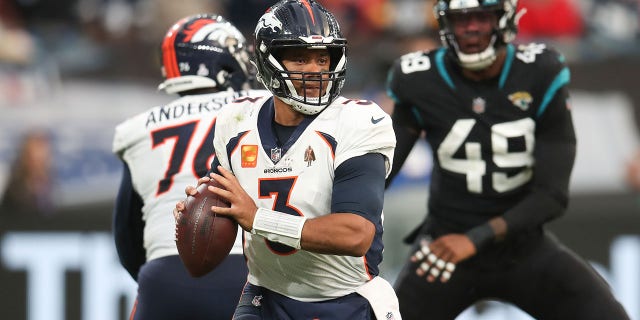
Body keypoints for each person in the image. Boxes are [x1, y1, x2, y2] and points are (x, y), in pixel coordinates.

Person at [385, 0, 631, 319]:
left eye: (481, 17)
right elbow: (383, 170)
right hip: (445, 249)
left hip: (522, 247)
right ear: (445, 25)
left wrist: (474, 239)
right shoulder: (418, 77)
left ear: (505, 19)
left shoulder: (540, 71)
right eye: (461, 19)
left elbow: (551, 196)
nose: (471, 28)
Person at [173, 1, 400, 319]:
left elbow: (355, 234)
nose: (315, 69)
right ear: (267, 60)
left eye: (323, 58)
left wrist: (258, 219)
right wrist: (199, 211)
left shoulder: (357, 122)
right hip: (265, 295)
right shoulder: (237, 119)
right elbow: (222, 201)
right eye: (300, 57)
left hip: (344, 299)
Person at [112, 14, 264, 320]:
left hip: (164, 277)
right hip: (248, 272)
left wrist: (165, 280)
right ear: (223, 62)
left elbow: (127, 236)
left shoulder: (138, 129)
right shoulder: (263, 107)